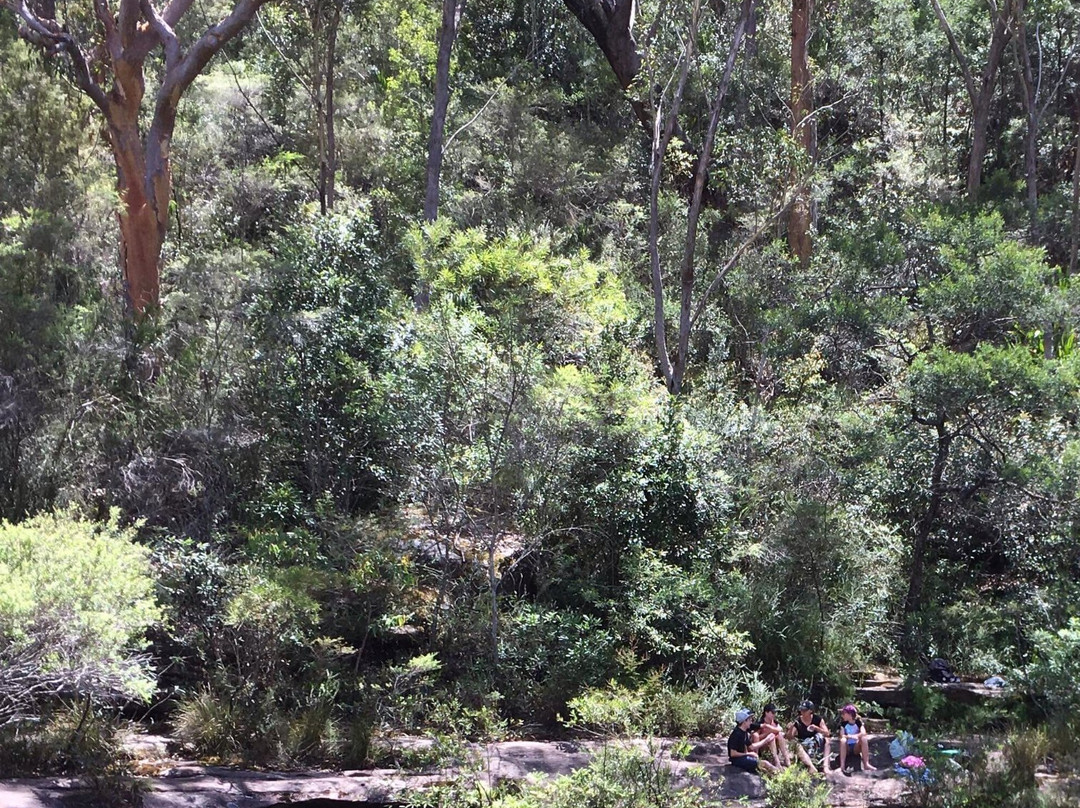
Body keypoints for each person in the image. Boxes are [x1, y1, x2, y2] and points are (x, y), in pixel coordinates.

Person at [728, 708, 779, 775]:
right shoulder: (736, 734)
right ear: (744, 721)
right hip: (737, 760)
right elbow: (733, 754)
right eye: (749, 720)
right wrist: (748, 754)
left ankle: (776, 774)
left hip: (742, 758)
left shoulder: (744, 732)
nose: (751, 722)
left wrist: (766, 740)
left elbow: (751, 747)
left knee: (762, 764)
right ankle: (780, 775)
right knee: (765, 764)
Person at [786, 700, 831, 775]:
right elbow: (790, 738)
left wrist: (817, 728)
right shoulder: (798, 721)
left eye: (804, 710)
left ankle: (825, 766)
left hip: (817, 743)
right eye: (801, 710)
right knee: (797, 744)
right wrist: (790, 729)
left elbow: (827, 734)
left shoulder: (817, 719)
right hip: (804, 744)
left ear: (810, 711)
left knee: (827, 740)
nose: (802, 712)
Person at [837, 703, 876, 774]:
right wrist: (849, 736)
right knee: (843, 740)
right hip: (847, 747)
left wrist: (855, 736)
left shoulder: (858, 722)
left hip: (856, 747)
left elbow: (863, 733)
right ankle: (842, 766)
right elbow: (842, 735)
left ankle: (866, 764)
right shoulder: (843, 724)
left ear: (850, 714)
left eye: (844, 713)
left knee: (864, 738)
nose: (842, 715)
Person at [752, 703, 790, 768]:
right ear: (766, 713)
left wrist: (773, 730)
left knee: (780, 735)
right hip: (764, 747)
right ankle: (777, 762)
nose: (774, 714)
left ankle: (787, 759)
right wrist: (768, 734)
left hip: (774, 747)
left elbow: (780, 729)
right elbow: (756, 737)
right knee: (771, 737)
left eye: (775, 712)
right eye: (773, 712)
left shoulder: (775, 722)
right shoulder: (760, 724)